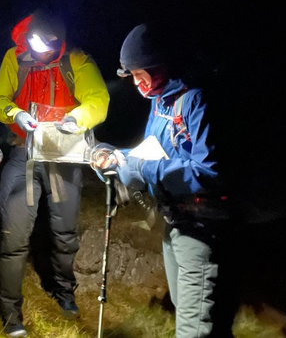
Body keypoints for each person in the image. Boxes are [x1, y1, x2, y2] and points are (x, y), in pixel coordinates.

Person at [91, 22, 237, 338]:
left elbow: (207, 173)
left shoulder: (195, 99)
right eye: (132, 76)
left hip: (200, 229)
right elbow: (157, 152)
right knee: (198, 317)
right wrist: (117, 157)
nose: (137, 83)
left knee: (194, 329)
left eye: (141, 73)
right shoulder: (162, 100)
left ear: (162, 65)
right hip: (173, 223)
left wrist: (143, 169)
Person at [0, 9, 110, 337]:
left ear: (58, 41)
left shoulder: (77, 61)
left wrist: (76, 119)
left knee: (65, 233)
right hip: (21, 152)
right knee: (13, 236)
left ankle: (64, 291)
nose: (37, 49)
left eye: (44, 44)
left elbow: (99, 100)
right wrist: (14, 113)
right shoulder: (15, 58)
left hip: (64, 157)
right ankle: (11, 313)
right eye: (32, 42)